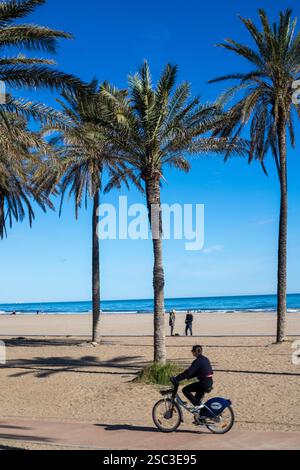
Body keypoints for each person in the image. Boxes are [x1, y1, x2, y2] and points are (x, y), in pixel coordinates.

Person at [171, 345, 213, 411]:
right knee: (196, 400)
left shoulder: (197, 361)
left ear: (195, 352)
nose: (192, 352)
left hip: (203, 383)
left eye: (192, 351)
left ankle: (199, 405)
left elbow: (188, 372)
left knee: (185, 390)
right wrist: (187, 377)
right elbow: (198, 372)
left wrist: (177, 378)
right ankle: (201, 417)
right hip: (209, 381)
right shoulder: (205, 359)